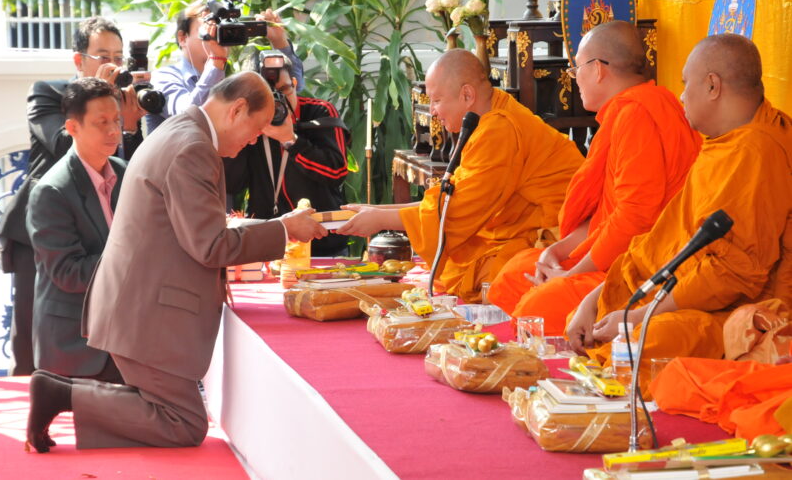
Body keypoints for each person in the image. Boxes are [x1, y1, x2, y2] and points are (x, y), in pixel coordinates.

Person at [25, 72, 327, 452]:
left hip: (139, 303)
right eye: (257, 127)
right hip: (146, 311)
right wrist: (283, 231)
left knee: (178, 415)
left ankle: (62, 392)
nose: (255, 139)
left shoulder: (182, 131)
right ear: (236, 110)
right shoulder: (192, 147)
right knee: (183, 422)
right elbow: (210, 244)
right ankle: (60, 395)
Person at [565, 34, 792, 388]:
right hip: (686, 296)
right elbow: (666, 240)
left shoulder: (757, 152)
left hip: (741, 312)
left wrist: (640, 314)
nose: (682, 95)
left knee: (638, 346)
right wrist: (594, 301)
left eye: (687, 84)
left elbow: (734, 274)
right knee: (602, 323)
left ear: (713, 86)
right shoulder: (723, 143)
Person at [487, 21, 702, 335]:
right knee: (517, 271)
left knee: (539, 308)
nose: (574, 80)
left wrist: (573, 272)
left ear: (599, 69)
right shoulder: (629, 111)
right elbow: (606, 213)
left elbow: (634, 218)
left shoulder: (638, 114)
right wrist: (558, 251)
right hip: (615, 255)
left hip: (645, 269)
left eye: (576, 70)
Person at [337, 50, 584, 303]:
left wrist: (380, 219)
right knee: (460, 266)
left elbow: (457, 211)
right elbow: (455, 193)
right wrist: (377, 210)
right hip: (527, 230)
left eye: (436, 100)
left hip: (560, 239)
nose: (432, 111)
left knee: (494, 277)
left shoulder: (499, 129)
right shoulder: (492, 115)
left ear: (467, 94)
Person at [0, 17, 145, 376]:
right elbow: (67, 146)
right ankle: (32, 401)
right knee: (37, 326)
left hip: (99, 224)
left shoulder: (122, 106)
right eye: (102, 56)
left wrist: (127, 122)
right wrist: (98, 102)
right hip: (40, 227)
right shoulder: (48, 93)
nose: (112, 64)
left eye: (118, 56)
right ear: (79, 61)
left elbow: (133, 163)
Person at [26, 78, 127, 384]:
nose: (113, 130)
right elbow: (68, 272)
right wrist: (132, 259)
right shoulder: (51, 191)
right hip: (76, 342)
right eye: (101, 122)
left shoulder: (125, 172)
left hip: (125, 337)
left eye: (116, 120)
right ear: (72, 128)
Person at [224, 54, 349, 256]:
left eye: (284, 90)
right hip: (269, 243)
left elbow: (336, 173)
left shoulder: (319, 113)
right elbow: (231, 183)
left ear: (295, 82)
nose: (277, 102)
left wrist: (291, 140)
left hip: (323, 244)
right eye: (266, 97)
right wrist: (241, 132)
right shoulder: (247, 124)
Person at [147, 0, 304, 134]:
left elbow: (292, 92)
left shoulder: (229, 76)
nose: (215, 33)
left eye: (220, 28)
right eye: (208, 27)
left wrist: (279, 41)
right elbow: (187, 116)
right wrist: (216, 61)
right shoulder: (165, 77)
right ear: (182, 38)